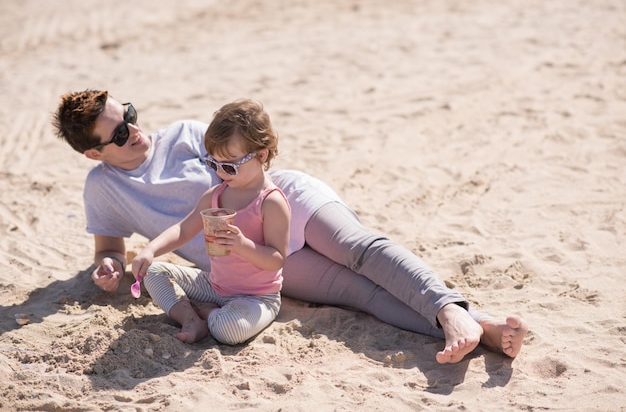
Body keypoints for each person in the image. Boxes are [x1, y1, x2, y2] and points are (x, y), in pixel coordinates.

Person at [52, 89, 527, 363]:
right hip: (250, 261)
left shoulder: (186, 134)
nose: (135, 131)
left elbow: (251, 169)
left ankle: (449, 309)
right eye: (118, 134)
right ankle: (481, 325)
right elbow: (109, 250)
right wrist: (109, 267)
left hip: (283, 203)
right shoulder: (103, 189)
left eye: (129, 116)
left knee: (361, 249)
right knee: (359, 294)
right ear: (95, 153)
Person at [131, 99, 290, 345]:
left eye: (229, 166)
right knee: (153, 272)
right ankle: (191, 319)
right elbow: (183, 230)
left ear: (261, 155)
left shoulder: (271, 202)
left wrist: (242, 245)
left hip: (257, 297)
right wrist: (150, 250)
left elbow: (276, 259)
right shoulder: (215, 195)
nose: (221, 173)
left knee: (228, 331)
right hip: (214, 285)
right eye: (213, 163)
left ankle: (206, 313)